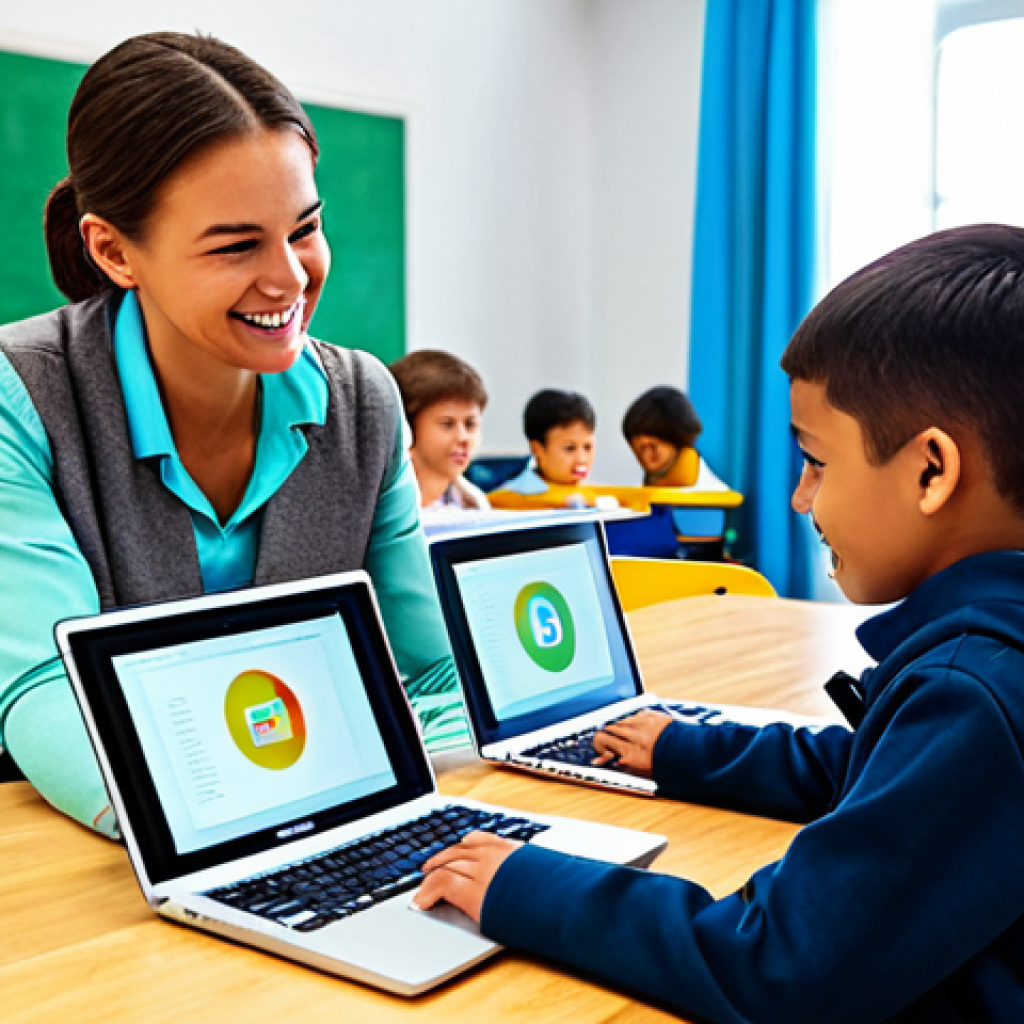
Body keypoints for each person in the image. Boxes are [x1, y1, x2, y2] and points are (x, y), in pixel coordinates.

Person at [415, 225, 1024, 1022]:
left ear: (932, 470)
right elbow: (873, 773)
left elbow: (779, 962)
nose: (802, 499)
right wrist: (683, 746)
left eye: (816, 461)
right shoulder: (982, 667)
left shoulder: (975, 689)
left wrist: (528, 882)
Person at [0, 32, 466, 838]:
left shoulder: (363, 403)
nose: (289, 277)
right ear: (113, 250)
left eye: (305, 228)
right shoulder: (25, 394)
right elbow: (46, 686)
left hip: (326, 829)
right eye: (237, 244)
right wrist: (253, 812)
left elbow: (435, 671)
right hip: (108, 856)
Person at [622, 385, 729, 559]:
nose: (647, 457)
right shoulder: (645, 493)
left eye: (653, 448)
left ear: (678, 437)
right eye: (640, 449)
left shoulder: (712, 499)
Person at [388, 349, 490, 510]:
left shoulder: (474, 504)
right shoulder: (377, 509)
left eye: (470, 424)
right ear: (406, 429)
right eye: (447, 424)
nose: (463, 438)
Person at [501, 389, 595, 494]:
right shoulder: (510, 499)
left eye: (588, 447)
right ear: (537, 449)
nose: (582, 459)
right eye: (569, 448)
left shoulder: (597, 498)